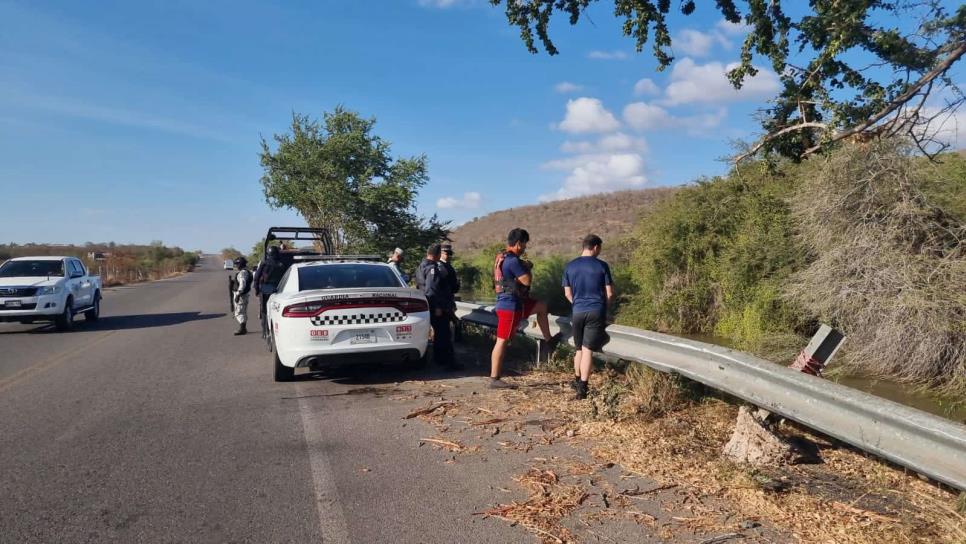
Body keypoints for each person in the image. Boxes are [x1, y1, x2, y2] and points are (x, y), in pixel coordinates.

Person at [489, 228, 559, 389]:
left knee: (541, 306)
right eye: (525, 244)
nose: (525, 248)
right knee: (501, 341)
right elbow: (526, 281)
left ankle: (549, 341)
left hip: (513, 302)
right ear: (519, 244)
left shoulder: (501, 257)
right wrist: (526, 267)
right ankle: (495, 378)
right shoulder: (513, 261)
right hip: (510, 306)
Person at [562, 234, 614, 400]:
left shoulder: (570, 266)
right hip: (595, 310)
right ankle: (583, 389)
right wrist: (603, 307)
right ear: (596, 247)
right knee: (587, 350)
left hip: (577, 311)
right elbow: (610, 293)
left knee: (578, 349)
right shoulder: (602, 266)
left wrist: (576, 303)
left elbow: (567, 293)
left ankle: (577, 381)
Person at [419, 244, 460, 369]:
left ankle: (440, 360)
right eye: (444, 253)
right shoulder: (432, 268)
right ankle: (446, 363)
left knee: (440, 335)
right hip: (438, 307)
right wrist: (437, 306)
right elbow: (432, 289)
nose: (447, 255)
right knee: (444, 335)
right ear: (438, 254)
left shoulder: (422, 265)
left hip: (430, 305)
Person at [253, 245, 283, 338]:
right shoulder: (281, 264)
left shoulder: (264, 263)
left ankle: (265, 332)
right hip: (278, 291)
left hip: (265, 291)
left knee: (264, 312)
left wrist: (256, 290)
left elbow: (256, 277)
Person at [439, 243, 463, 343]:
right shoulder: (440, 266)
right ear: (441, 253)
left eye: (449, 254)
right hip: (443, 300)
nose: (448, 256)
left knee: (451, 322)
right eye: (446, 253)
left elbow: (453, 285)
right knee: (450, 322)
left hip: (449, 298)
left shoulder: (448, 266)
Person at [232, 256, 253, 336]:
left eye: (237, 264)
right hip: (243, 295)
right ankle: (243, 328)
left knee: (239, 312)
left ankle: (242, 329)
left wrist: (238, 294)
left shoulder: (242, 273)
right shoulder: (245, 272)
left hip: (241, 295)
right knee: (242, 312)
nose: (236, 266)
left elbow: (242, 284)